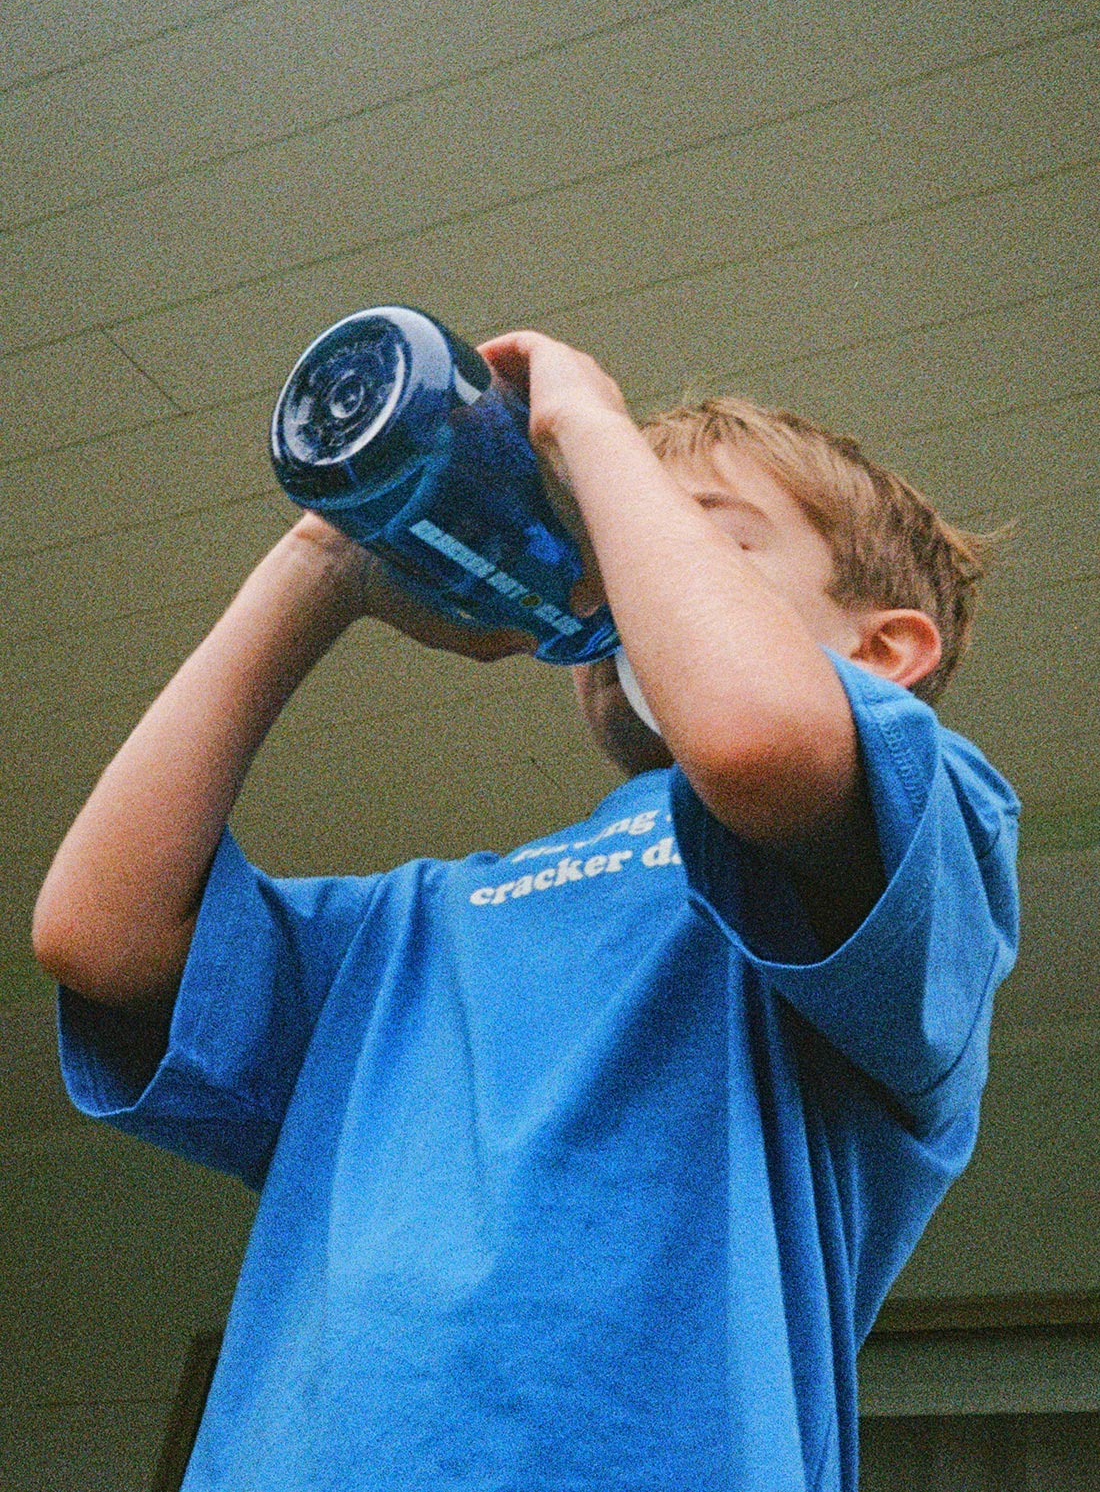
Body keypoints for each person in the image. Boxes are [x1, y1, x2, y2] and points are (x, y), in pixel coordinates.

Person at [33, 330, 1019, 1491]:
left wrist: (590, 427)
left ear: (883, 649)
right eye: (601, 532)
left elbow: (753, 738)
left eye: (689, 527)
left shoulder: (921, 821)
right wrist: (324, 561)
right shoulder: (416, 923)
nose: (616, 565)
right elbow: (98, 937)